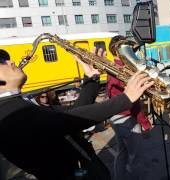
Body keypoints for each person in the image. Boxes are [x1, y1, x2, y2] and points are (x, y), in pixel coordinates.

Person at [0, 49, 153, 180]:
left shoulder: (18, 102)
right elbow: (68, 121)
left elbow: (74, 111)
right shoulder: (8, 111)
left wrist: (91, 77)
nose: (11, 62)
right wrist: (125, 98)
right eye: (2, 62)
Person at [106, 35, 152, 180]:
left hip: (116, 116)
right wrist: (144, 123)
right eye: (127, 47)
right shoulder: (124, 69)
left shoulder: (112, 66)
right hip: (126, 117)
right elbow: (133, 99)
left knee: (123, 153)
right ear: (119, 50)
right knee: (137, 158)